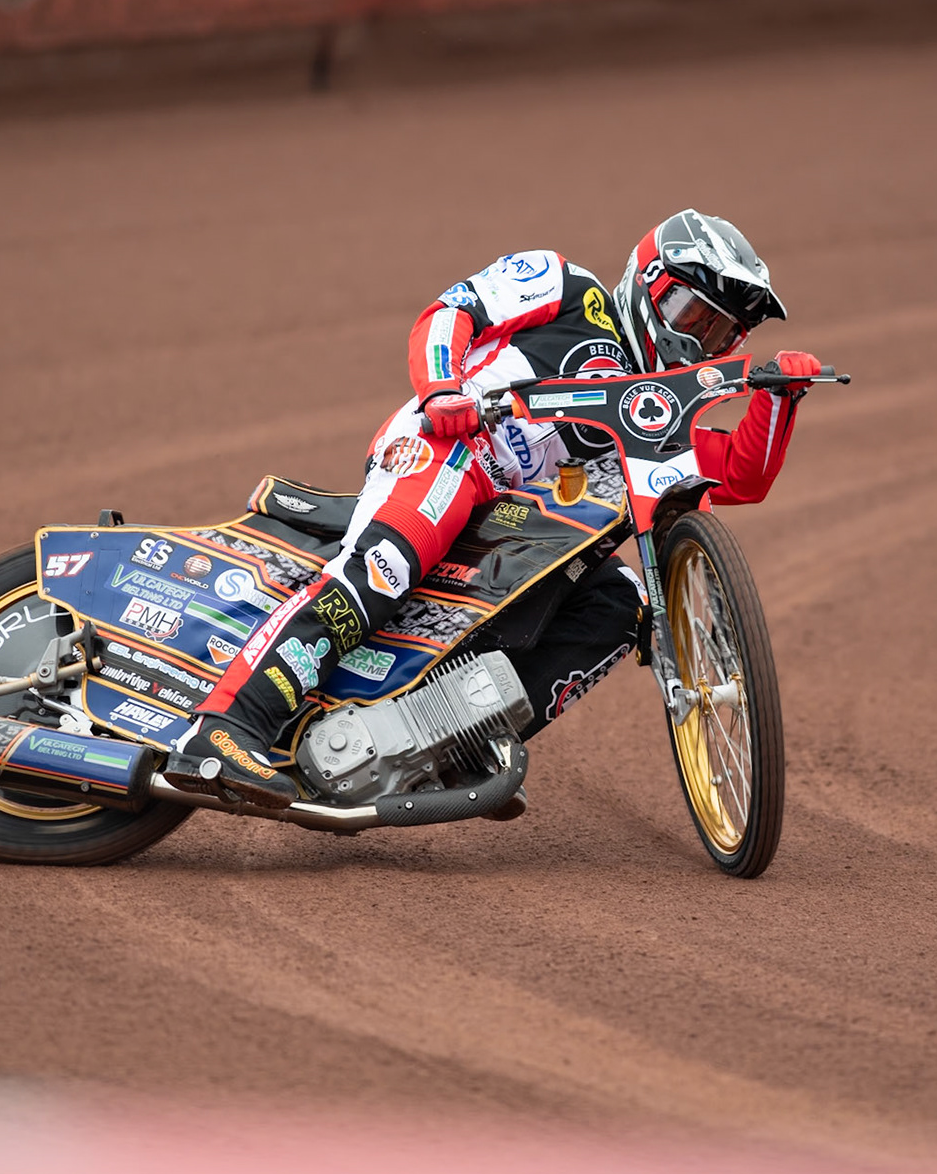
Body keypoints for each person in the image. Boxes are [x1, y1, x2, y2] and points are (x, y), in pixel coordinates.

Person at [163, 209, 823, 807]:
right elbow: (448, 313)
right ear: (649, 283)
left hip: (518, 521)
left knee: (619, 600)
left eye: (719, 332)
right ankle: (224, 727)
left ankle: (442, 747)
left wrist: (777, 398)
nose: (698, 340)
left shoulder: (656, 415)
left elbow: (739, 474)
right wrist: (443, 389)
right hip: (449, 450)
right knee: (384, 567)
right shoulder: (567, 286)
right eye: (691, 314)